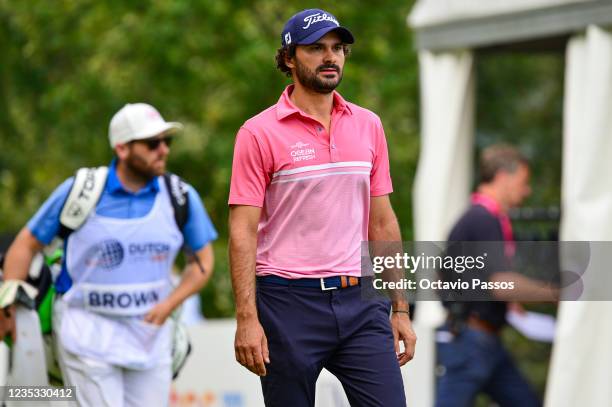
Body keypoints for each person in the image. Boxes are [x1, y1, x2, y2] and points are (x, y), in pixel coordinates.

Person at [228, 8, 416, 407]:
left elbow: (381, 222)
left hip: (360, 301)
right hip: (286, 303)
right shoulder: (257, 132)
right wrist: (247, 318)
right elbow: (241, 231)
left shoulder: (369, 125)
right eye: (316, 48)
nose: (331, 57)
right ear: (290, 58)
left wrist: (400, 308)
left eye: (338, 48)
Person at [0, 103, 217, 407]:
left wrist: (170, 304)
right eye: (153, 143)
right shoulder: (81, 191)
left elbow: (202, 262)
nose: (163, 150)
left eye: (167, 141)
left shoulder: (180, 196)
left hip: (149, 338)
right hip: (86, 333)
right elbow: (25, 245)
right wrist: (8, 305)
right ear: (122, 148)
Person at [435, 145, 557, 407]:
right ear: (503, 176)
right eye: (523, 182)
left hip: (482, 339)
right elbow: (499, 283)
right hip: (471, 340)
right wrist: (554, 292)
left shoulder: (480, 219)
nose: (526, 191)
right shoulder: (483, 220)